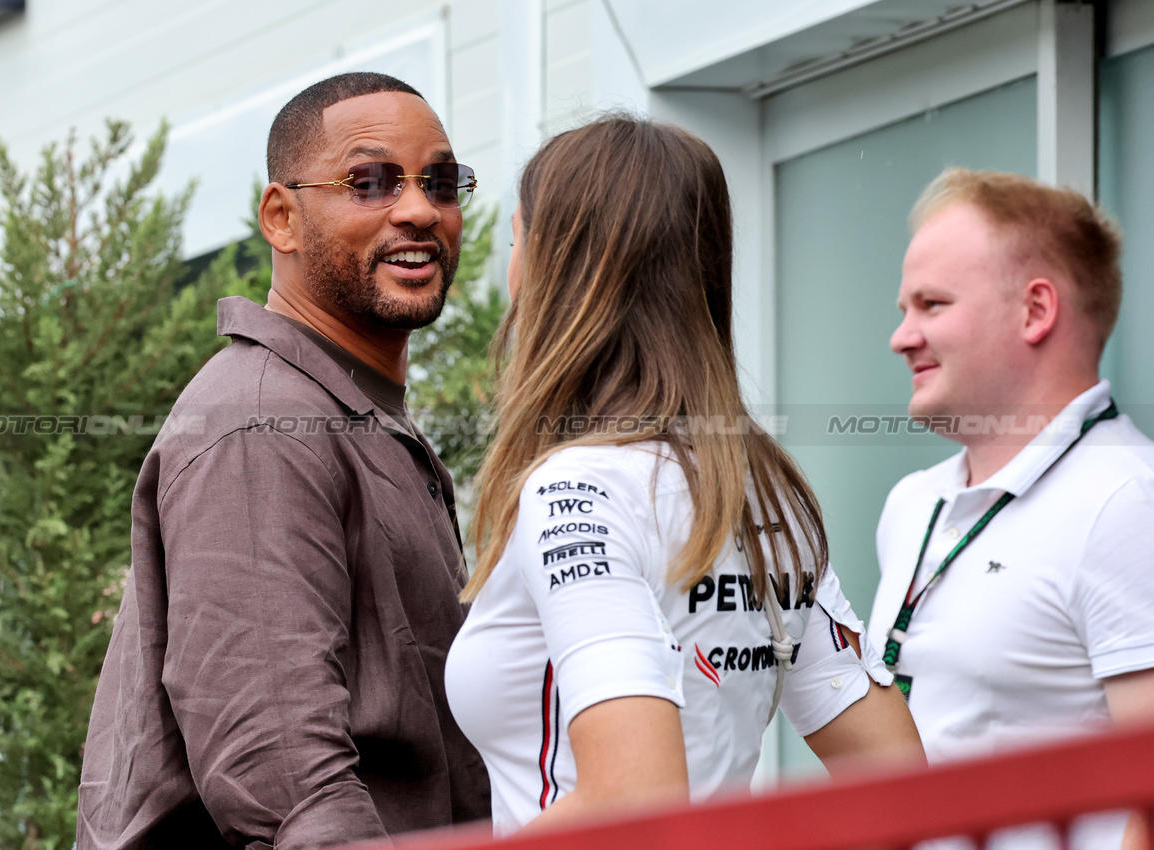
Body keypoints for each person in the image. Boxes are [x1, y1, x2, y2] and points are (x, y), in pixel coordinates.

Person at [443, 115, 925, 837]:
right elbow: (899, 779)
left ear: (559, 272)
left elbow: (633, 799)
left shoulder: (575, 488)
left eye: (518, 242)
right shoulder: (757, 490)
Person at [77, 72, 490, 850]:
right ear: (281, 218)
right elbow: (279, 769)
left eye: (439, 182)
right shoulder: (259, 421)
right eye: (369, 182)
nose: (418, 210)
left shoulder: (348, 412)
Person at [867, 168, 1154, 849]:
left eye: (931, 305)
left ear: (1035, 311)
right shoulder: (913, 504)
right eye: (902, 310)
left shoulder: (1124, 502)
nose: (900, 337)